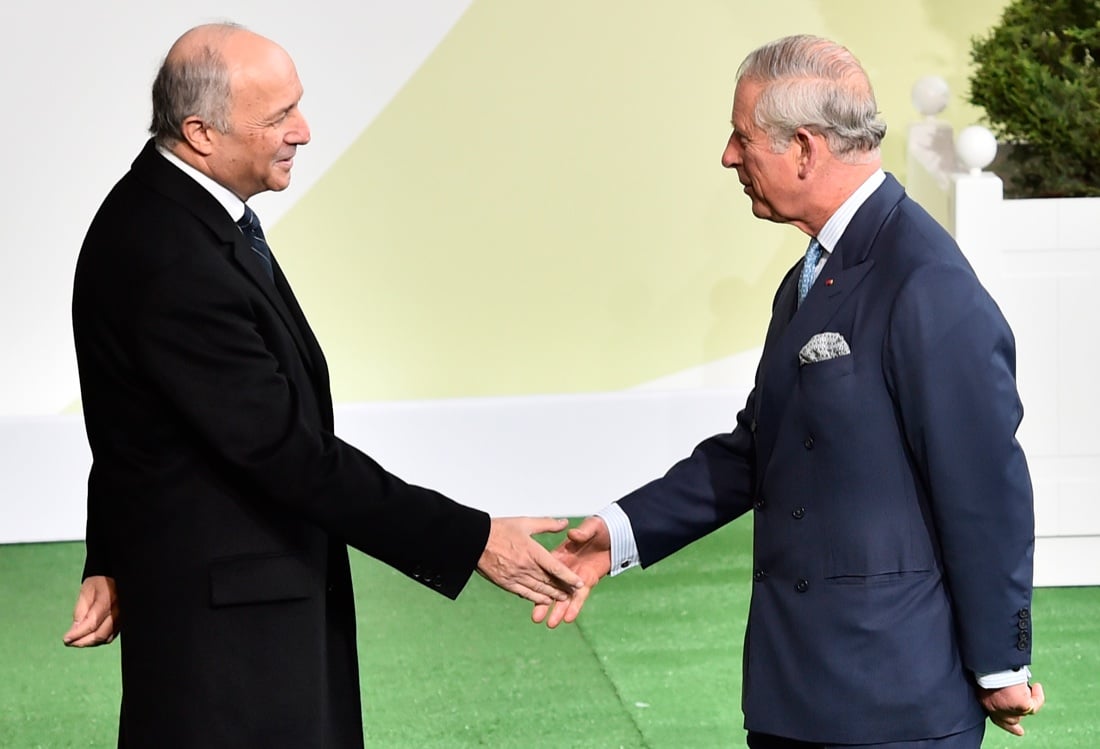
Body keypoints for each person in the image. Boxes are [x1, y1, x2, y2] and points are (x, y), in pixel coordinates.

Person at [61, 22, 583, 748]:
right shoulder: (172, 256)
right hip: (232, 651)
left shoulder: (177, 215)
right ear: (201, 132)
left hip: (237, 614)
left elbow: (139, 422)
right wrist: (472, 539)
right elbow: (285, 452)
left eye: (296, 107)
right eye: (277, 117)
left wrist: (109, 555)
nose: (302, 131)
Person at [534, 34, 1044, 747]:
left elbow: (985, 484)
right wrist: (618, 533)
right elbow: (757, 450)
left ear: (804, 148)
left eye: (742, 138)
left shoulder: (926, 282)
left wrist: (1000, 662)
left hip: (892, 708)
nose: (728, 156)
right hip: (796, 695)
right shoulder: (815, 272)